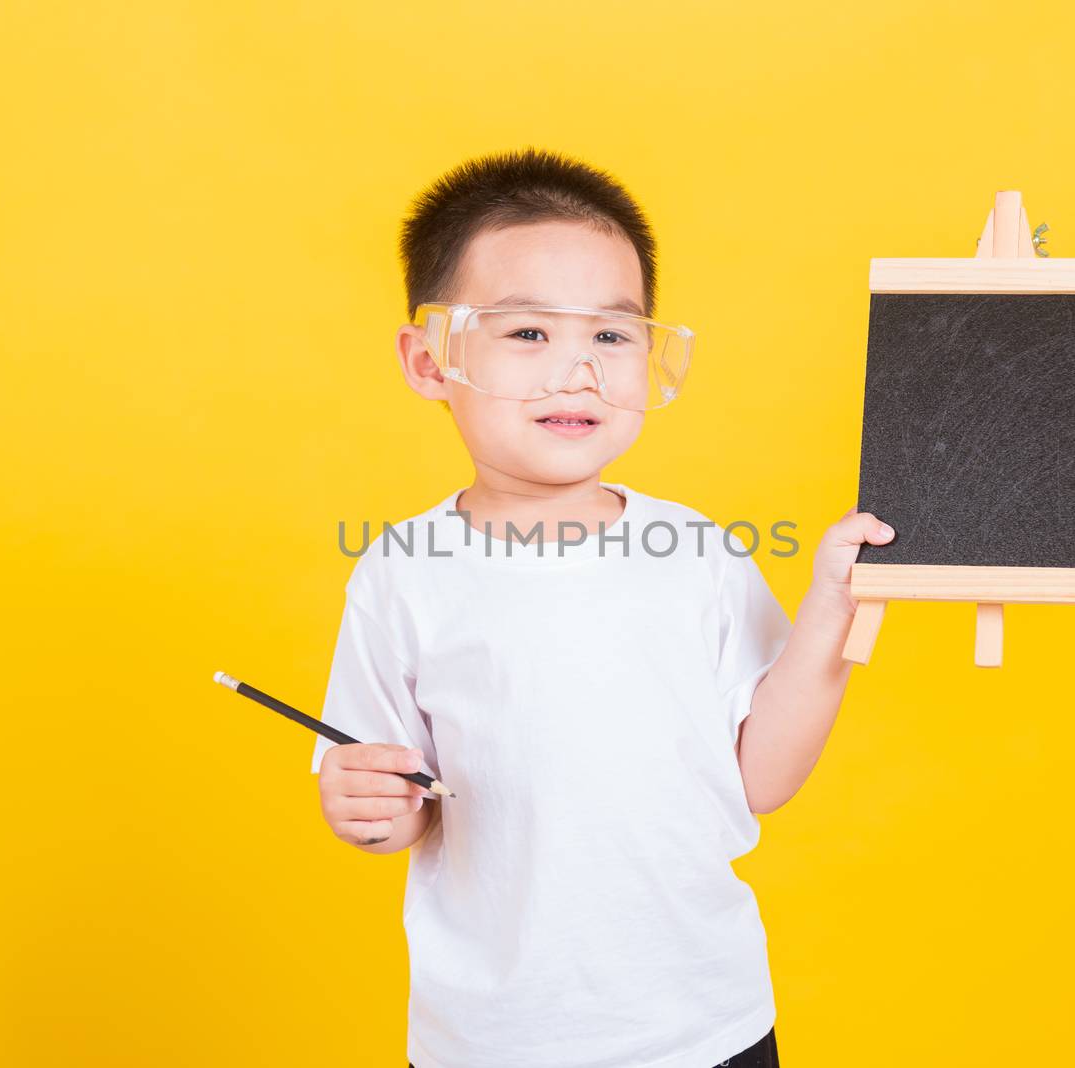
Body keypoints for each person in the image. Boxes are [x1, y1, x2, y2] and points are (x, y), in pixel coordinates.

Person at [309, 147, 895, 1068]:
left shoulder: (698, 552)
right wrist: (371, 806)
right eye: (529, 334)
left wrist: (830, 611)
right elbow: (400, 798)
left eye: (612, 337)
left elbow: (760, 779)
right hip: (492, 1040)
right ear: (429, 360)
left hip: (705, 1025)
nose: (576, 370)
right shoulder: (402, 571)